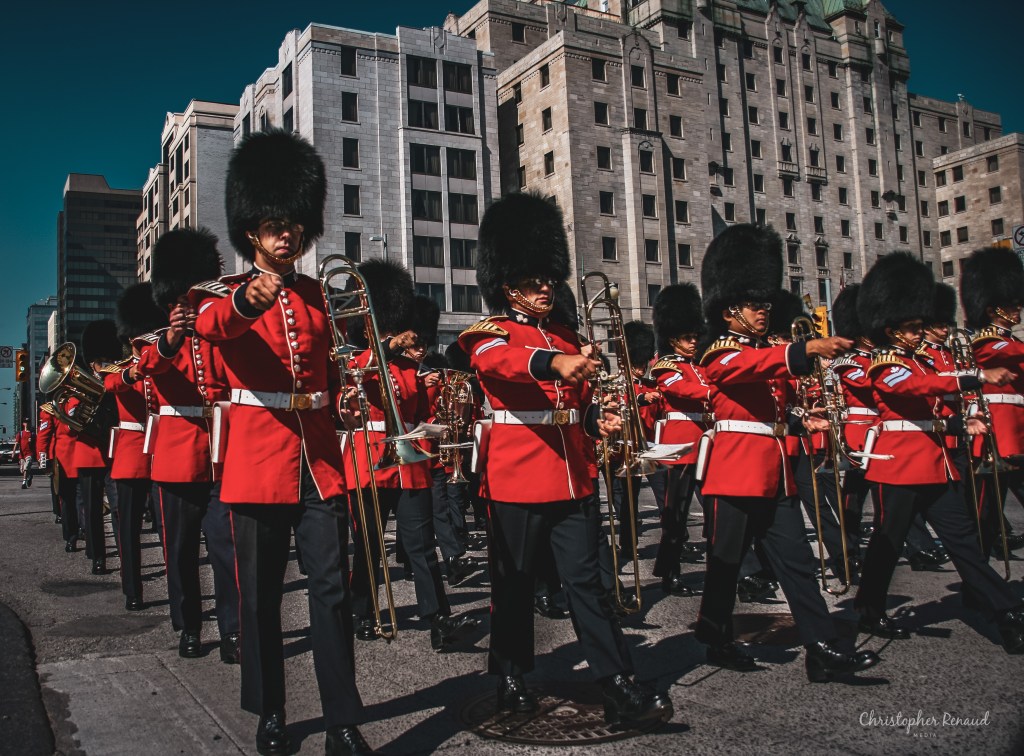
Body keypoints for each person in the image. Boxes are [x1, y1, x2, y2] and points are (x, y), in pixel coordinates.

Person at [457, 192, 672, 724]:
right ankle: (509, 674)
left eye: (548, 278)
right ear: (508, 285)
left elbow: (576, 405)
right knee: (514, 584)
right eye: (534, 281)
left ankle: (617, 681)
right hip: (517, 476)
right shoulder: (490, 333)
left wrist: (601, 420)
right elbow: (501, 365)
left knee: (587, 584)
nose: (545, 287)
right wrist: (556, 362)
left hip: (573, 474)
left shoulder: (567, 333)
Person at [191, 129, 372, 756]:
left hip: (319, 463)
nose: (285, 233)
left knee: (331, 591)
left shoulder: (320, 296)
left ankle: (342, 721)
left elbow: (327, 369)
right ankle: (270, 711)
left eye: (293, 222)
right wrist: (247, 298)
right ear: (251, 232)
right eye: (272, 224)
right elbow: (212, 327)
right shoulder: (219, 295)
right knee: (262, 597)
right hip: (258, 461)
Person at [694, 223, 880, 682]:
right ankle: (715, 636)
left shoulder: (765, 348)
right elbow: (742, 371)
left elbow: (773, 403)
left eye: (765, 303)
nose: (763, 311)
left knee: (797, 563)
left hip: (776, 472)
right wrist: (802, 350)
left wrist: (803, 418)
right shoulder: (719, 351)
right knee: (726, 564)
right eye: (755, 304)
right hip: (734, 472)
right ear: (729, 309)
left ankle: (822, 648)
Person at [851, 251, 1024, 653]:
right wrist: (975, 375)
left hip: (935, 464)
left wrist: (966, 421)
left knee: (962, 541)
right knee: (887, 543)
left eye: (919, 327)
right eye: (911, 328)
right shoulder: (884, 363)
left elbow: (937, 399)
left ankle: (1006, 612)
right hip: (899, 466)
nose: (918, 333)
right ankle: (869, 607)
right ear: (891, 330)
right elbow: (912, 389)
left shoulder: (925, 360)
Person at [344, 259, 478, 650]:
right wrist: (387, 346)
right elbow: (361, 372)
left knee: (422, 546)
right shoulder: (360, 359)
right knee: (369, 543)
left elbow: (420, 414)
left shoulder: (409, 368)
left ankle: (438, 617)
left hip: (409, 463)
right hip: (370, 459)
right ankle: (362, 611)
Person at [140, 228, 240, 662]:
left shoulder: (219, 330)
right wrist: (172, 339)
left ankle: (234, 630)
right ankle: (190, 627)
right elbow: (148, 369)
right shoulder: (157, 339)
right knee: (179, 552)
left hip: (223, 452)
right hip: (179, 456)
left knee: (226, 546)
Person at [960, 246, 1024, 557]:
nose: (1017, 311)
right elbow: (1002, 355)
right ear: (991, 309)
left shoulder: (1014, 341)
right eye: (1011, 306)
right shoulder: (985, 341)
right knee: (985, 513)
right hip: (997, 432)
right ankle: (980, 575)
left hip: (1018, 432)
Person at [107, 283, 167, 611]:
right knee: (128, 529)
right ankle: (133, 588)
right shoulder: (123, 371)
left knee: (168, 530)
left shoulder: (162, 364)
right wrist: (133, 372)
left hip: (162, 451)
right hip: (132, 454)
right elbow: (111, 383)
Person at [650, 283, 709, 596]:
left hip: (706, 444)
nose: (694, 342)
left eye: (695, 336)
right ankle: (669, 573)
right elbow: (680, 391)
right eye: (688, 337)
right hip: (680, 446)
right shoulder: (665, 366)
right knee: (676, 517)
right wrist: (714, 393)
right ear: (673, 338)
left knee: (718, 511)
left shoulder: (699, 368)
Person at [74, 319, 122, 575]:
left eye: (107, 359)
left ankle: (126, 554)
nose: (104, 364)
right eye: (99, 360)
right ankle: (98, 557)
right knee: (92, 509)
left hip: (116, 451)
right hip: (90, 452)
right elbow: (70, 420)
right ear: (91, 362)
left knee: (119, 508)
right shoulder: (80, 386)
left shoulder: (118, 381)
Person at [36, 402, 60, 523]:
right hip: (56, 456)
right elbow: (43, 437)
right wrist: (43, 459)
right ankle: (59, 513)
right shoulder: (51, 409)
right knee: (58, 490)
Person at [15, 419, 35, 489]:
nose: (27, 424)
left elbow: (36, 444)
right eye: (25, 422)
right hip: (22, 455)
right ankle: (29, 476)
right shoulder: (20, 433)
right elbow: (16, 444)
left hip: (29, 454)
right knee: (22, 470)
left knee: (26, 468)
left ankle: (24, 482)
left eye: (28, 422)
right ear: (23, 424)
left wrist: (31, 441)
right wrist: (13, 452)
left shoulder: (32, 434)